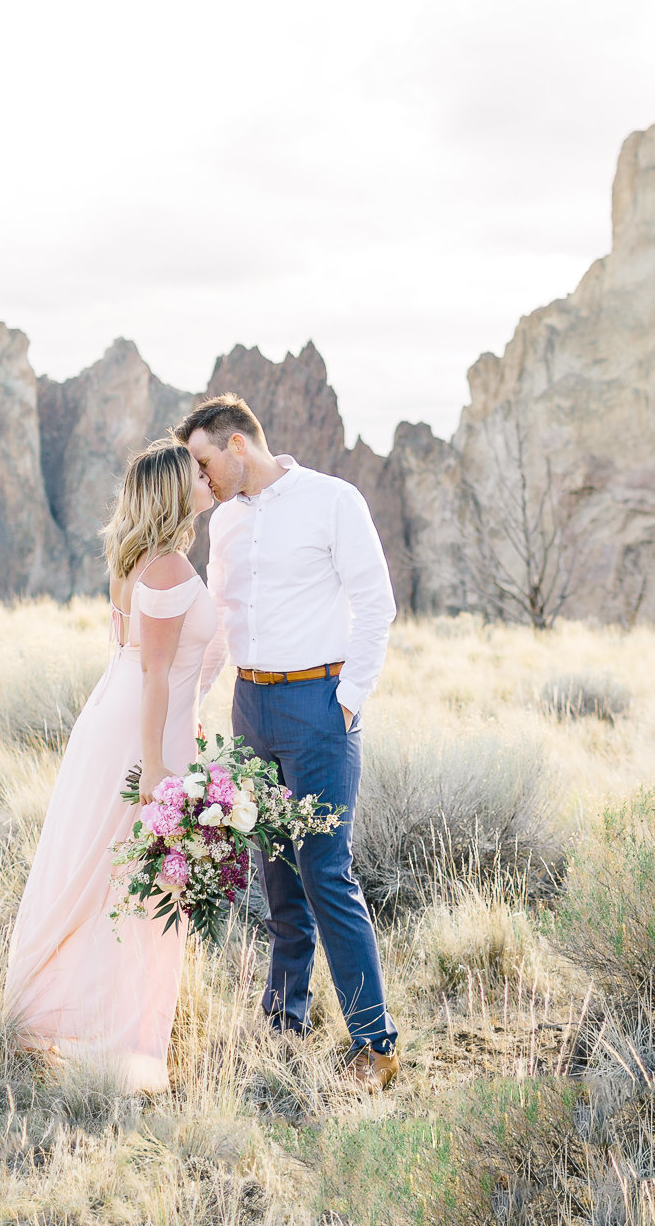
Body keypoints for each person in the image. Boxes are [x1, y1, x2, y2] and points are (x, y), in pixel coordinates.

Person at [174, 394, 400, 1090]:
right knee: (276, 876)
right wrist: (194, 701)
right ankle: (284, 1022)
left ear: (237, 444)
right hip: (252, 704)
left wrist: (348, 699)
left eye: (205, 463)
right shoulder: (229, 526)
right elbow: (220, 625)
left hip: (318, 704)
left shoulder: (334, 500)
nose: (202, 482)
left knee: (326, 870)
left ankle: (376, 1043)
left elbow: (376, 601)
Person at [1, 439, 223, 1094]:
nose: (206, 482)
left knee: (109, 875)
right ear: (176, 491)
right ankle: (110, 1039)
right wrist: (156, 764)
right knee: (134, 877)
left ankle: (81, 1023)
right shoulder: (167, 566)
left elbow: (144, 660)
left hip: (128, 716)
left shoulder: (134, 559)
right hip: (140, 731)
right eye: (196, 476)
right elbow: (155, 672)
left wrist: (187, 717)